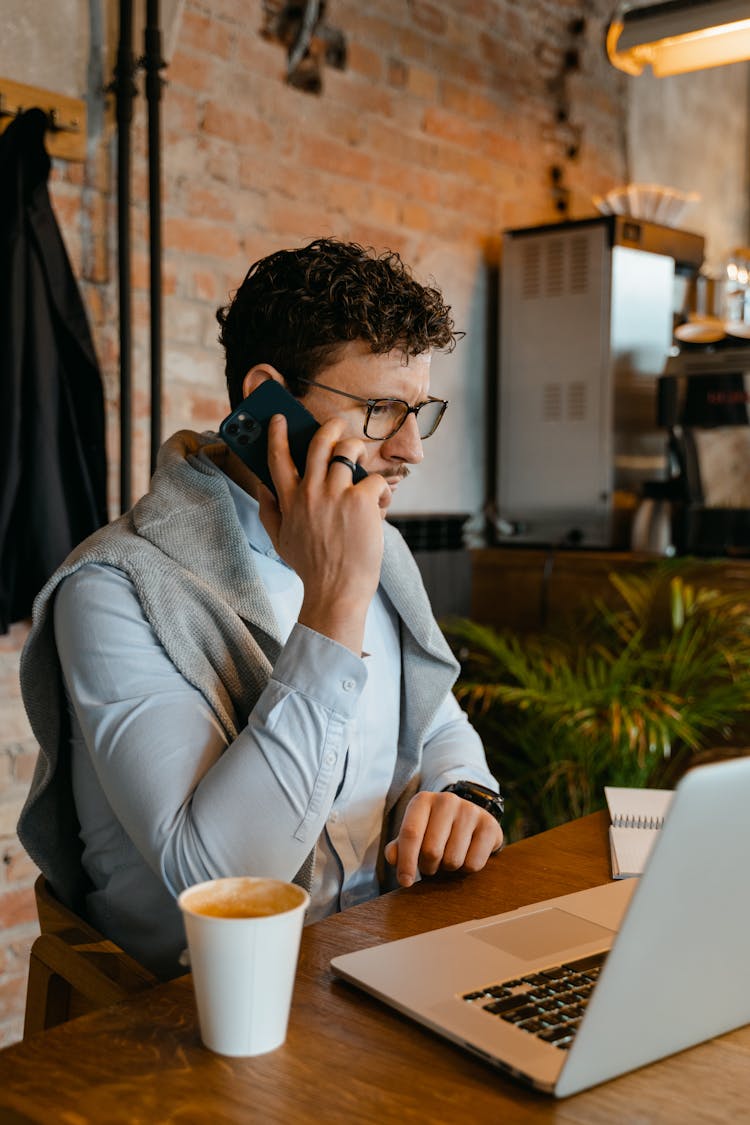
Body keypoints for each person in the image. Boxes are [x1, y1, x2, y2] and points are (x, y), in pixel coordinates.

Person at [18, 238, 503, 979]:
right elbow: (217, 877)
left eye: (419, 411)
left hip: (375, 967)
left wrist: (464, 791)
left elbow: (438, 721)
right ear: (267, 399)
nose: (411, 450)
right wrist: (335, 606)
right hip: (197, 1017)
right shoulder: (116, 587)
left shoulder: (377, 541)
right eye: (381, 409)